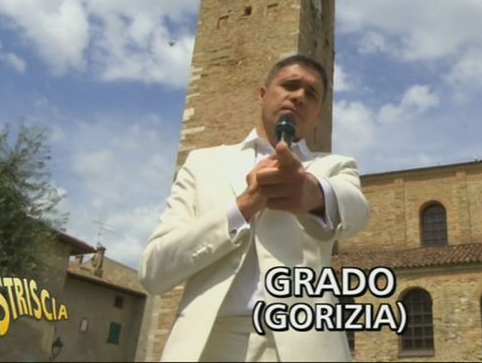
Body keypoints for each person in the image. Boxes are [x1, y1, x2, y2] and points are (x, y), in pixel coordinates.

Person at [139, 55, 370, 362]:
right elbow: (154, 272)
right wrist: (242, 208)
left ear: (317, 114)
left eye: (311, 94)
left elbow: (356, 211)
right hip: (208, 345)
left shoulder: (334, 166)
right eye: (290, 85)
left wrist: (313, 193)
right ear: (262, 94)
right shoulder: (202, 164)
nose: (299, 96)